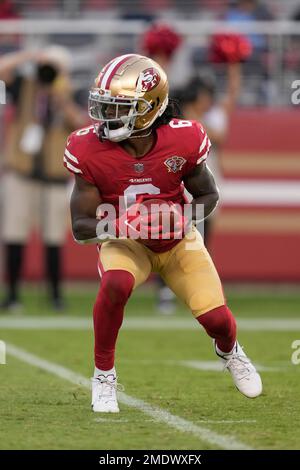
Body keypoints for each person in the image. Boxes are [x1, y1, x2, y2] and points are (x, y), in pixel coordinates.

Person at [64, 53, 262, 413]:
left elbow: (208, 195)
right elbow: (80, 226)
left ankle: (230, 350)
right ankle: (103, 375)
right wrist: (120, 225)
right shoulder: (86, 148)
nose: (106, 118)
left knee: (216, 319)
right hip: (126, 242)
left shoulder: (184, 139)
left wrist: (181, 219)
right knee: (116, 284)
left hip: (177, 242)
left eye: (118, 108)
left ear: (149, 108)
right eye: (104, 106)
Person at [0, 47, 85, 311]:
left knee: (53, 238)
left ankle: (56, 295)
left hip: (54, 178)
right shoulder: (24, 87)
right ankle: (12, 294)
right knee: (14, 234)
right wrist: (29, 57)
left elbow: (80, 125)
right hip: (22, 173)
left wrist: (60, 98)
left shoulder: (69, 94)